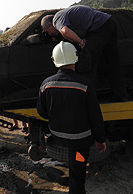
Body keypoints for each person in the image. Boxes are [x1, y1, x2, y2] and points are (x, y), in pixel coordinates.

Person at [37, 41, 107, 194]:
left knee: (74, 161)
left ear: (55, 61)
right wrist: (100, 139)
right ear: (76, 59)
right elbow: (95, 115)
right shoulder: (85, 85)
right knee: (78, 169)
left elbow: (41, 112)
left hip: (58, 136)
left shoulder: (46, 85)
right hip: (80, 142)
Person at [41, 5, 128, 101]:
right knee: (112, 62)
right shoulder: (66, 15)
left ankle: (89, 99)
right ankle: (121, 96)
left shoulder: (57, 19)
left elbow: (64, 31)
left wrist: (80, 42)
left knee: (87, 62)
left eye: (48, 32)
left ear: (50, 24)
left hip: (99, 27)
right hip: (109, 22)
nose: (50, 35)